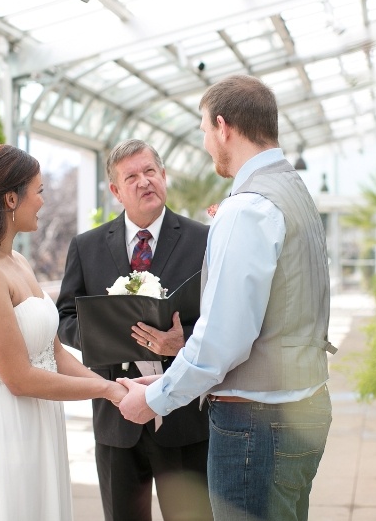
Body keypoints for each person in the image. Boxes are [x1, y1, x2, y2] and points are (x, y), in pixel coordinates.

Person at [117, 74, 337, 521]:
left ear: (223, 127)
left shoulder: (248, 207)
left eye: (202, 131)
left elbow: (224, 339)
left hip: (258, 425)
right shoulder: (293, 189)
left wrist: (156, 397)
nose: (203, 142)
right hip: (302, 407)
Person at [0, 143, 127, 521]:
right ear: (11, 198)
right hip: (5, 429)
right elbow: (20, 379)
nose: (43, 201)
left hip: (41, 422)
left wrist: (116, 389)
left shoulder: (20, 262)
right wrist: (108, 390)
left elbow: (55, 354)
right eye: (39, 191)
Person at [56, 139, 213, 521]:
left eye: (150, 172)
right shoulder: (87, 246)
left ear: (164, 176)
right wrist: (111, 336)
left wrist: (183, 341)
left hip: (184, 418)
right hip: (116, 419)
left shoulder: (204, 240)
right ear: (115, 191)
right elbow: (65, 318)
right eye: (132, 176)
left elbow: (222, 318)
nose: (144, 182)